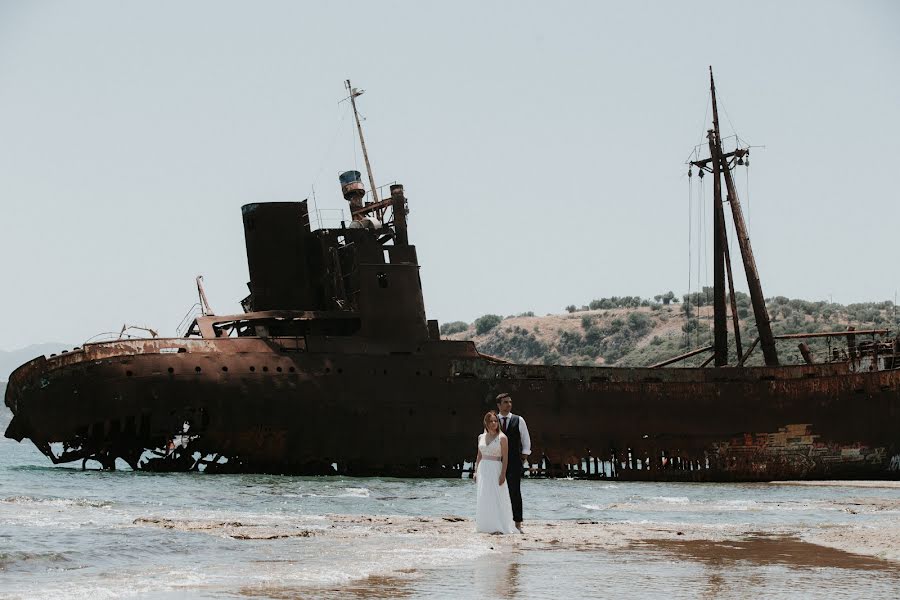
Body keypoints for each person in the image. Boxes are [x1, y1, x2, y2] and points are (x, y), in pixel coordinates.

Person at [474, 411, 518, 534]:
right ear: (486, 423)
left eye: (495, 421)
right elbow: (479, 455)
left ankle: (498, 524)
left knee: (497, 495)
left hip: (496, 468)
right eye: (491, 421)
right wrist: (475, 471)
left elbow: (506, 457)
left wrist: (503, 473)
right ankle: (485, 525)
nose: (493, 423)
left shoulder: (502, 438)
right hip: (483, 468)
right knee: (484, 495)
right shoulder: (480, 437)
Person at [496, 392, 530, 533]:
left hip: (514, 461)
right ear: (499, 405)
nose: (509, 404)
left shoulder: (518, 420)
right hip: (496, 461)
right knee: (497, 492)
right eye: (505, 402)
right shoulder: (493, 420)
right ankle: (499, 521)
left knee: (515, 491)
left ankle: (517, 523)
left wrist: (524, 456)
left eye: (510, 402)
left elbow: (525, 439)